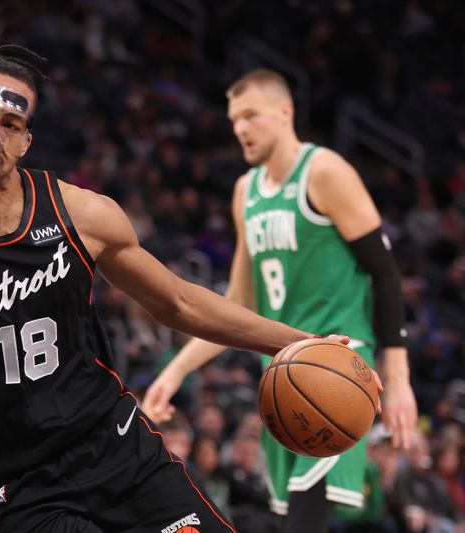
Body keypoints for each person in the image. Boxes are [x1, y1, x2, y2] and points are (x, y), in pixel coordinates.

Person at [0, 45, 380, 532]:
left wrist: (295, 344)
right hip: (18, 485)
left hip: (117, 446)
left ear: (25, 141)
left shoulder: (80, 214)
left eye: (8, 124)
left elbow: (178, 301)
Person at [142, 69, 417, 533]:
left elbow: (385, 272)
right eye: (233, 120)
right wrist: (175, 370)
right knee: (289, 519)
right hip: (284, 377)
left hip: (339, 367)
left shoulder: (325, 171)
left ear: (285, 112)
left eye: (250, 115)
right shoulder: (245, 193)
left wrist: (398, 372)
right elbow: (238, 306)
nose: (240, 129)